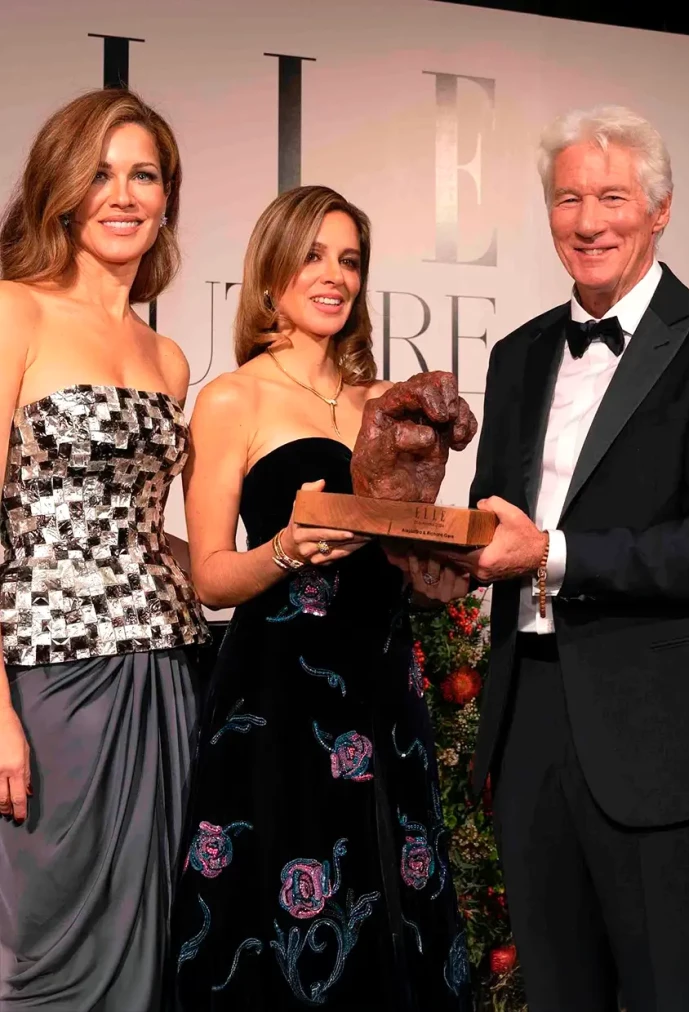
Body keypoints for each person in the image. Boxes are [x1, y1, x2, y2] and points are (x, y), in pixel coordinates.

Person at [425, 106, 689, 1010]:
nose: (589, 221)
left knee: (670, 994)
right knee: (557, 993)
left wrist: (553, 552)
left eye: (612, 197)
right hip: (528, 718)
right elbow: (494, 522)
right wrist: (437, 552)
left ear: (660, 210)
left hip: (655, 728)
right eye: (568, 198)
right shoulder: (517, 354)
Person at [169, 185, 471, 1011]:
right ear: (271, 275)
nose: (333, 275)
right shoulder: (232, 399)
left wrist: (442, 570)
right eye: (313, 255)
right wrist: (285, 549)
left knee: (394, 900)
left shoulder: (387, 403)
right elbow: (210, 575)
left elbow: (407, 553)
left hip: (384, 687)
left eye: (349, 259)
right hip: (277, 697)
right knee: (286, 913)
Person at [0, 89, 209, 1010]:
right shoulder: (15, 313)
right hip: (47, 678)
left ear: (167, 197)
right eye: (99, 173)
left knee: (152, 939)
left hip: (164, 669)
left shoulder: (167, 359)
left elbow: (148, 526)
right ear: (61, 190)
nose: (122, 195)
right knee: (36, 948)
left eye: (144, 174)